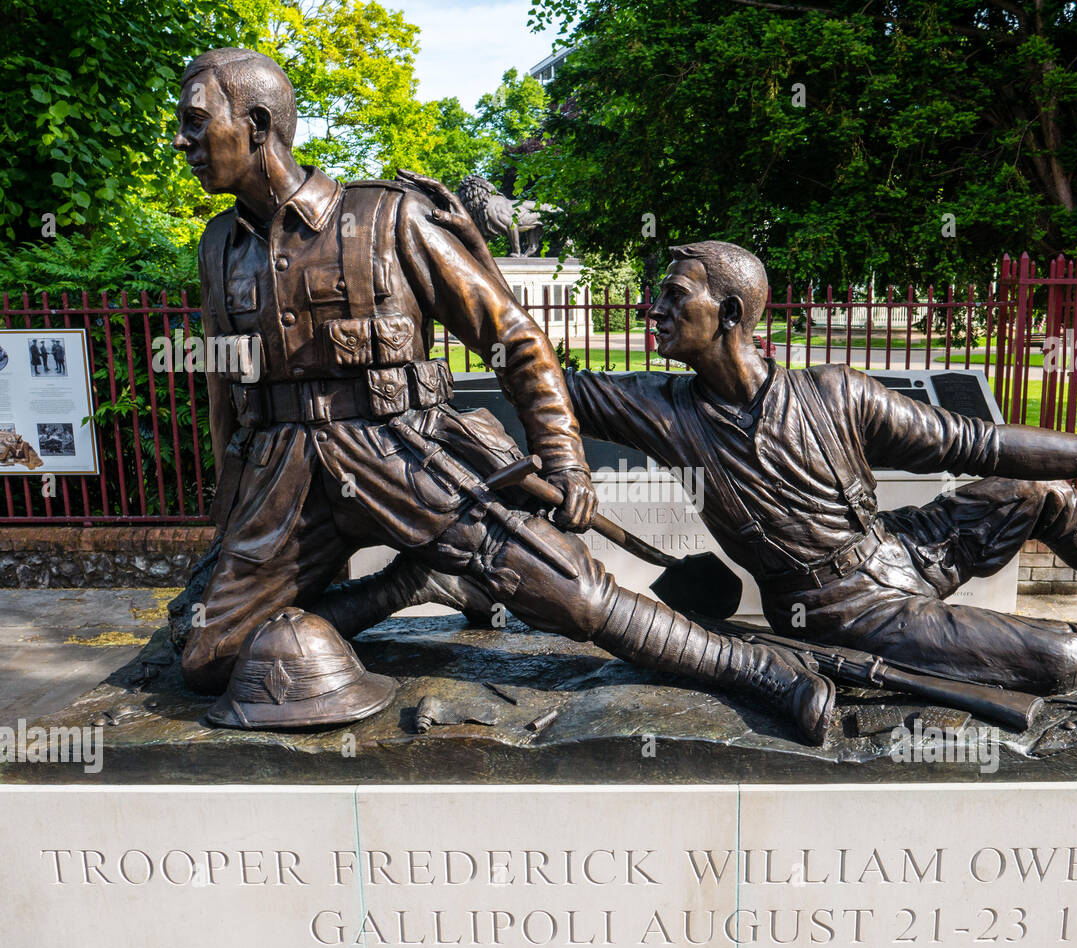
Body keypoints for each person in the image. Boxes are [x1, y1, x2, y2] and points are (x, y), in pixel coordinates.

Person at [172, 49, 832, 738]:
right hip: (283, 474)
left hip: (401, 455)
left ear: (253, 124)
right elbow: (225, 384)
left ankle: (763, 674)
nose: (182, 141)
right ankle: (411, 582)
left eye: (194, 121)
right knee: (210, 659)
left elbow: (513, 340)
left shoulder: (387, 220)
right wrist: (232, 516)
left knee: (570, 595)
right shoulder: (220, 244)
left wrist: (563, 457)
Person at [424, 220, 1077, 694]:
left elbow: (988, 442)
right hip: (842, 614)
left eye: (672, 297)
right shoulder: (662, 409)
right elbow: (530, 358)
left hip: (900, 555)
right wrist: (470, 262)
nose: (654, 310)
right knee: (1062, 662)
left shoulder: (835, 392)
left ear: (732, 314)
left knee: (1032, 493)